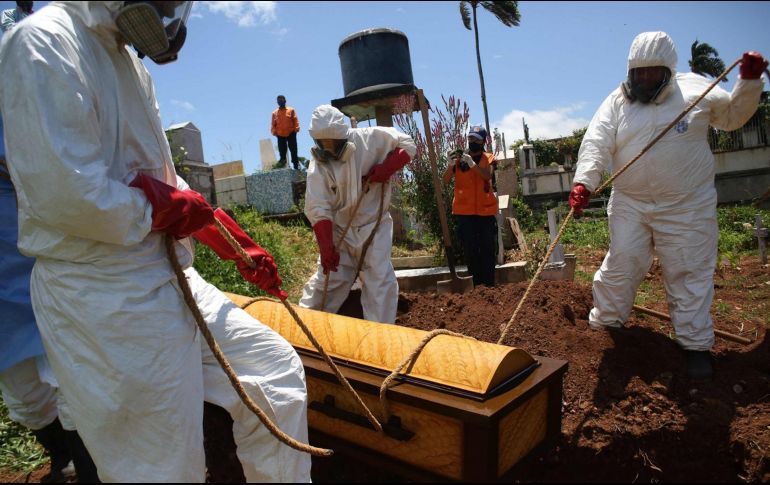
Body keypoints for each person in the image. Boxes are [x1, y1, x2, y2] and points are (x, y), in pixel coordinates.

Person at [0, 2, 310, 481]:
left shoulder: (130, 65)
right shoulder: (44, 43)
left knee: (273, 372)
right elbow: (64, 194)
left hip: (168, 274)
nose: (169, 14)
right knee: (161, 466)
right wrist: (158, 206)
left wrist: (227, 239)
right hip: (104, 294)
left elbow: (167, 187)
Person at [569, 31, 767, 381]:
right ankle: (605, 326)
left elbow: (734, 116)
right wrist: (584, 182)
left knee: (688, 272)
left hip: (686, 206)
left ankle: (695, 347)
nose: (643, 79)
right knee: (623, 261)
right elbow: (596, 141)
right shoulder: (617, 101)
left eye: (651, 72)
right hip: (631, 202)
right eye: (638, 72)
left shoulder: (695, 90)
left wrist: (749, 82)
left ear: (668, 70)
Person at [299, 105, 416, 324]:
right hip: (340, 230)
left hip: (374, 226)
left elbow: (408, 145)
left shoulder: (370, 139)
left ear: (344, 135)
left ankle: (380, 336)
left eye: (333, 144)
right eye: (323, 144)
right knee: (329, 281)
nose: (329, 150)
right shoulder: (319, 166)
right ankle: (304, 327)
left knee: (378, 280)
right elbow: (318, 207)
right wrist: (326, 248)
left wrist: (387, 168)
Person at [442, 125, 498, 287]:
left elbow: (487, 176)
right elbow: (445, 181)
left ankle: (489, 285)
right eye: (470, 138)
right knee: (470, 250)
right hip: (465, 213)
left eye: (475, 139)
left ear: (482, 141)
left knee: (487, 250)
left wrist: (473, 164)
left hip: (486, 212)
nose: (472, 141)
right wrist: (450, 165)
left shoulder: (488, 158)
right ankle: (475, 285)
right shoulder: (459, 160)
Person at [271, 95, 300, 169]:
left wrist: (296, 128)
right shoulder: (274, 113)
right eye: (279, 100)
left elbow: (295, 119)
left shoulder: (291, 110)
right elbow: (273, 124)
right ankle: (283, 165)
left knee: (293, 150)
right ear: (277, 102)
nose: (280, 101)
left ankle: (296, 165)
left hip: (291, 133)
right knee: (282, 151)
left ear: (285, 101)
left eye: (282, 100)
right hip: (280, 134)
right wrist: (274, 132)